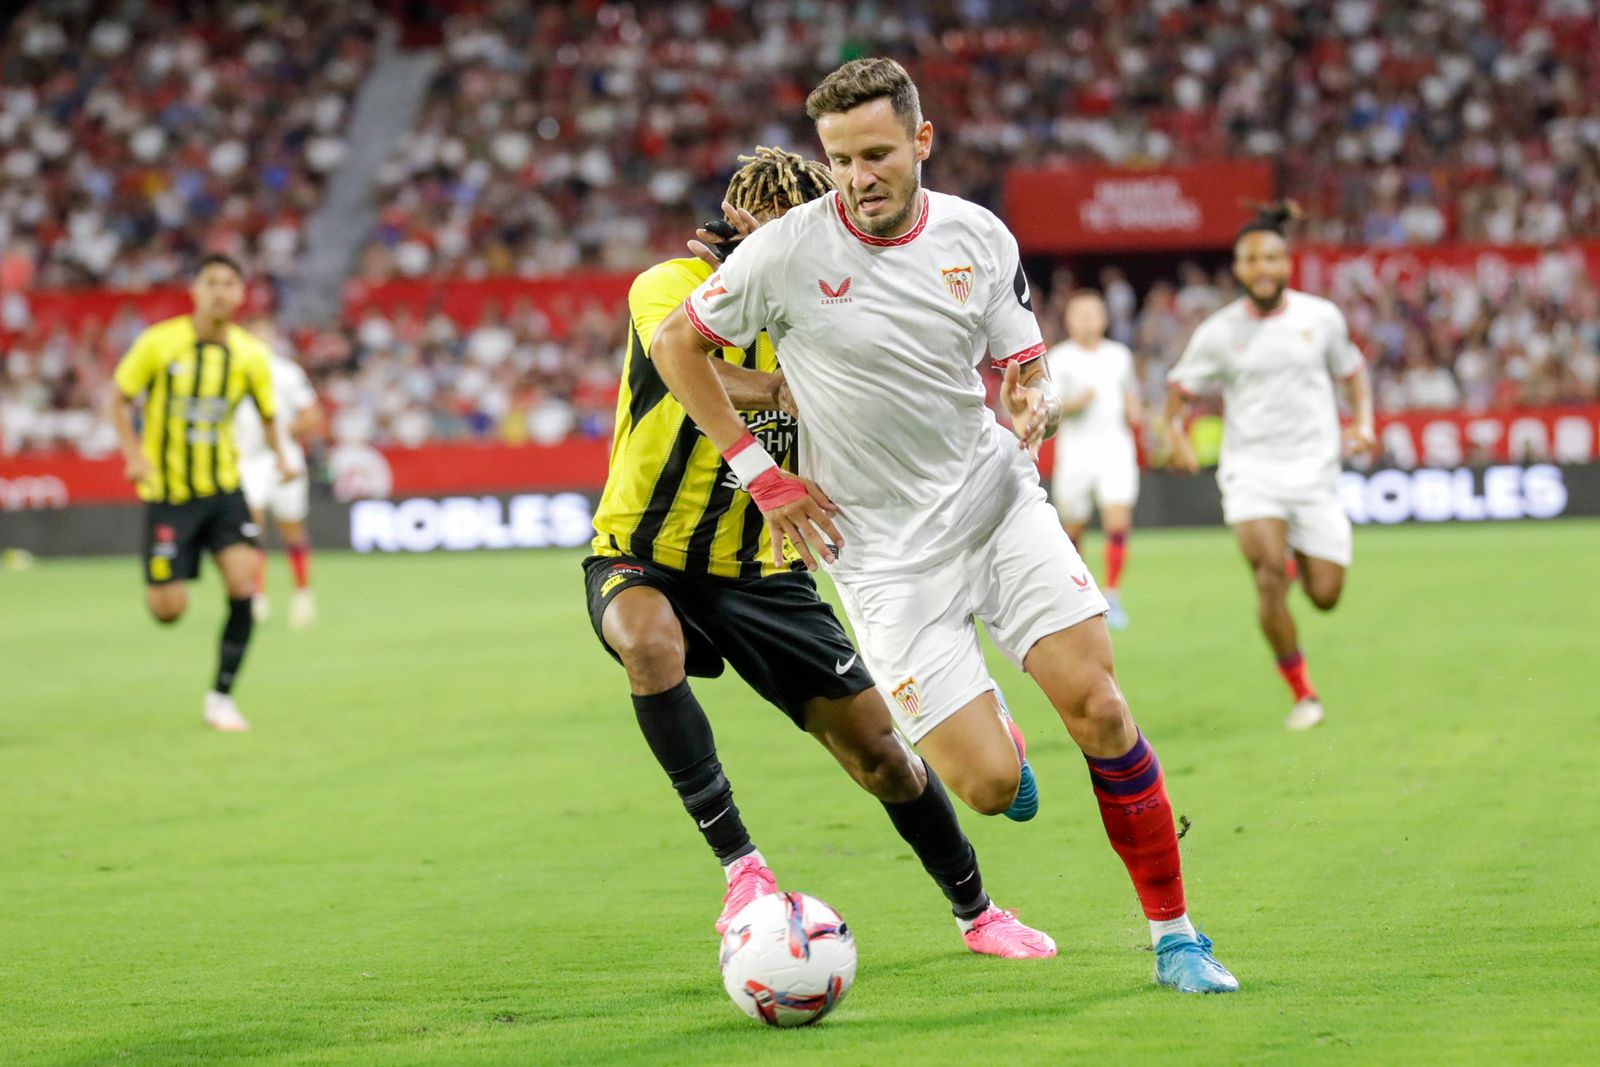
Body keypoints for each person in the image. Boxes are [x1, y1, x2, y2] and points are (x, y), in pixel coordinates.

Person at [650, 58, 1237, 993]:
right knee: (991, 787)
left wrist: (1030, 392)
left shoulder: (979, 235)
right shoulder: (786, 252)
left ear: (920, 142)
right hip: (882, 558)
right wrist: (760, 473)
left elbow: (1022, 357)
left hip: (994, 504)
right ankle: (987, 716)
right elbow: (675, 344)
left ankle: (1177, 936)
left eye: (877, 153)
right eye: (840, 158)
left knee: (1101, 708)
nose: (858, 176)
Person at [584, 146, 1055, 959]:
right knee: (648, 643)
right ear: (737, 231)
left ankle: (977, 911)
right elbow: (680, 356)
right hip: (642, 549)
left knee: (883, 757)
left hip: (765, 572)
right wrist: (775, 389)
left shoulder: (825, 306)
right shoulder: (668, 286)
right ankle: (743, 868)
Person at [1164, 203, 1375, 731]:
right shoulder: (1218, 332)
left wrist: (1364, 422)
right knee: (1266, 576)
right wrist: (1176, 434)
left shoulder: (1320, 319)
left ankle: (1295, 559)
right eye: (1251, 259)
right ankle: (1304, 694)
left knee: (1325, 595)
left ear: (1287, 264)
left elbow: (1353, 373)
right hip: (1251, 471)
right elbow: (1179, 390)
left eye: (1272, 258)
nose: (1262, 268)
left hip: (1316, 473)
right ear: (1238, 268)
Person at [108, 254, 293, 732]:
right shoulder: (159, 343)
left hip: (224, 490)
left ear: (241, 294)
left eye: (230, 283)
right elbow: (119, 396)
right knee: (168, 610)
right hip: (169, 495)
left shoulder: (250, 354)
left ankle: (221, 698)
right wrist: (133, 452)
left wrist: (284, 457)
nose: (220, 292)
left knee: (243, 587)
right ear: (195, 290)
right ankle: (169, 582)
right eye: (211, 282)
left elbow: (269, 412)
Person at [1045, 290, 1144, 629]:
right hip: (1076, 454)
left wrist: (1135, 410)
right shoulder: (1059, 359)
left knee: (1118, 520)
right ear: (1069, 320)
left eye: (1094, 313)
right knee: (1073, 528)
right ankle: (1084, 595)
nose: (1088, 320)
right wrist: (1075, 403)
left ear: (1104, 318)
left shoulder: (1119, 356)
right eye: (1081, 314)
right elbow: (1049, 408)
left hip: (1115, 449)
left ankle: (1113, 595)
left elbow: (1131, 394)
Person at [235, 316, 323, 629]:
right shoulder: (234, 373)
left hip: (284, 458)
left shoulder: (286, 373)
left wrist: (280, 431)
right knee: (252, 527)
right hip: (248, 461)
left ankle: (302, 592)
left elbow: (312, 416)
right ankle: (257, 597)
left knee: (291, 529)